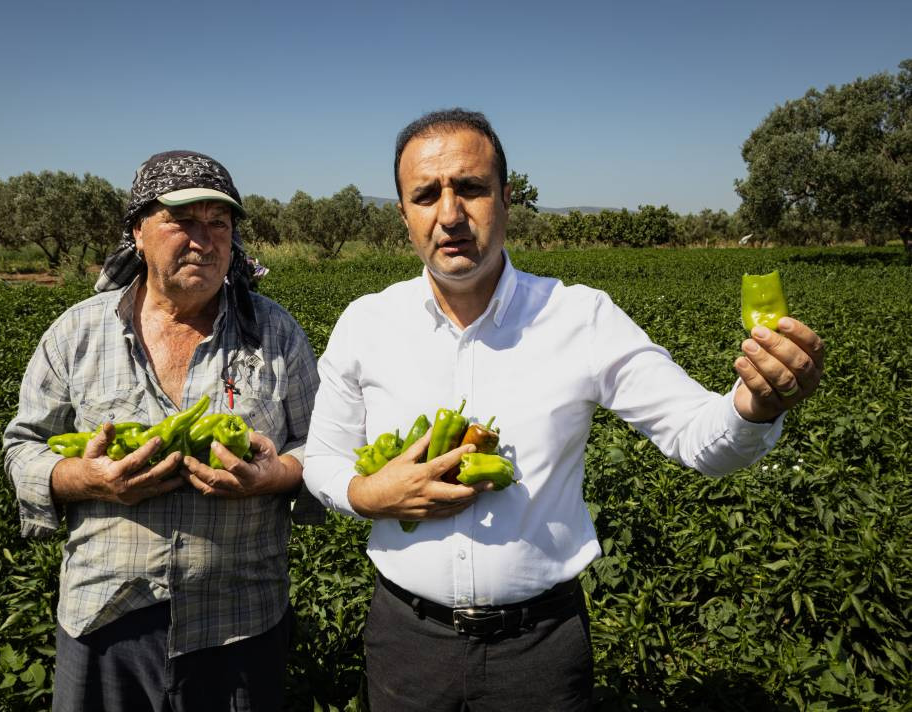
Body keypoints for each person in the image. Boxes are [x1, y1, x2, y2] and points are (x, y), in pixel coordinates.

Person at [303, 109, 824, 711]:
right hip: (405, 641)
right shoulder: (367, 324)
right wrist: (369, 495)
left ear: (506, 195)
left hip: (539, 649)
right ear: (404, 213)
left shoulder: (581, 317)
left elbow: (696, 436)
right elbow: (322, 459)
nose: (449, 214)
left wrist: (754, 405)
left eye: (470, 188)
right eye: (426, 195)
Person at [4, 150, 323, 712]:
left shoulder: (275, 332)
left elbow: (320, 450)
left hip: (239, 623)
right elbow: (22, 448)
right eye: (182, 221)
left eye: (218, 224)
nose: (203, 239)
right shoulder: (77, 332)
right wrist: (84, 477)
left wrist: (273, 475)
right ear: (138, 230)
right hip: (106, 619)